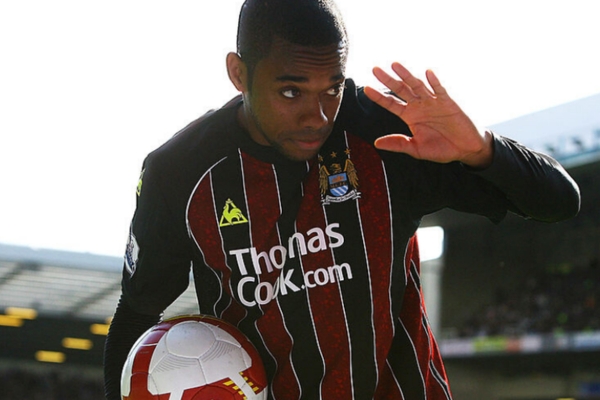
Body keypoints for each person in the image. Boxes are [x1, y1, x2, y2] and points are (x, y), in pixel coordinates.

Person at [103, 0, 580, 399]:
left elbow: (559, 201)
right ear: (238, 73)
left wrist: (482, 148)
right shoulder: (180, 173)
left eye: (332, 87)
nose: (318, 115)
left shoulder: (382, 134)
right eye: (291, 90)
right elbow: (137, 316)